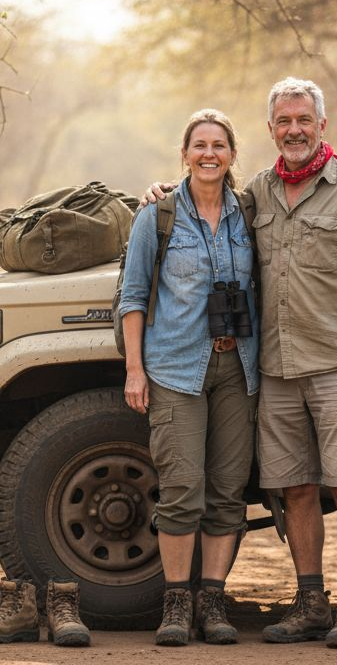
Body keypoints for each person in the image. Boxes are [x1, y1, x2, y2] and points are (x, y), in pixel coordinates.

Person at [142, 78, 337, 648]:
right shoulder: (259, 192)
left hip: (336, 366)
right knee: (296, 489)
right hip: (275, 370)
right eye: (284, 121)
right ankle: (311, 603)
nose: (294, 130)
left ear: (321, 125)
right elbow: (206, 202)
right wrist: (164, 191)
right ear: (271, 130)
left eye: (304, 120)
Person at [117, 108, 260, 646]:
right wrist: (135, 370)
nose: (209, 154)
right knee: (181, 489)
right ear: (184, 154)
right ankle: (176, 604)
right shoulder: (157, 217)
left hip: (238, 369)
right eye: (199, 145)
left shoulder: (250, 213)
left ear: (232, 154)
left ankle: (213, 603)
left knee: (227, 491)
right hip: (176, 368)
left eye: (218, 145)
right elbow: (133, 297)